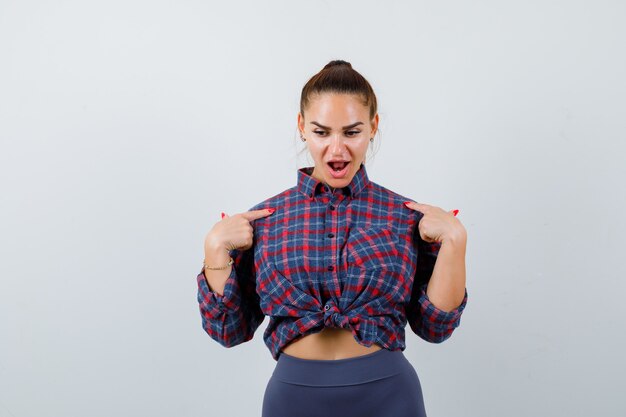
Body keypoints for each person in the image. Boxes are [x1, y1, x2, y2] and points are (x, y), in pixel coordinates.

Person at [196, 60, 469, 417]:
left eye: (351, 132)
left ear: (373, 127)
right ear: (301, 127)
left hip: (389, 396)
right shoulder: (264, 220)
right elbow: (228, 331)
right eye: (322, 132)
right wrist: (215, 249)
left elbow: (435, 328)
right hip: (293, 400)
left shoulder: (406, 217)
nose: (337, 150)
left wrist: (455, 241)